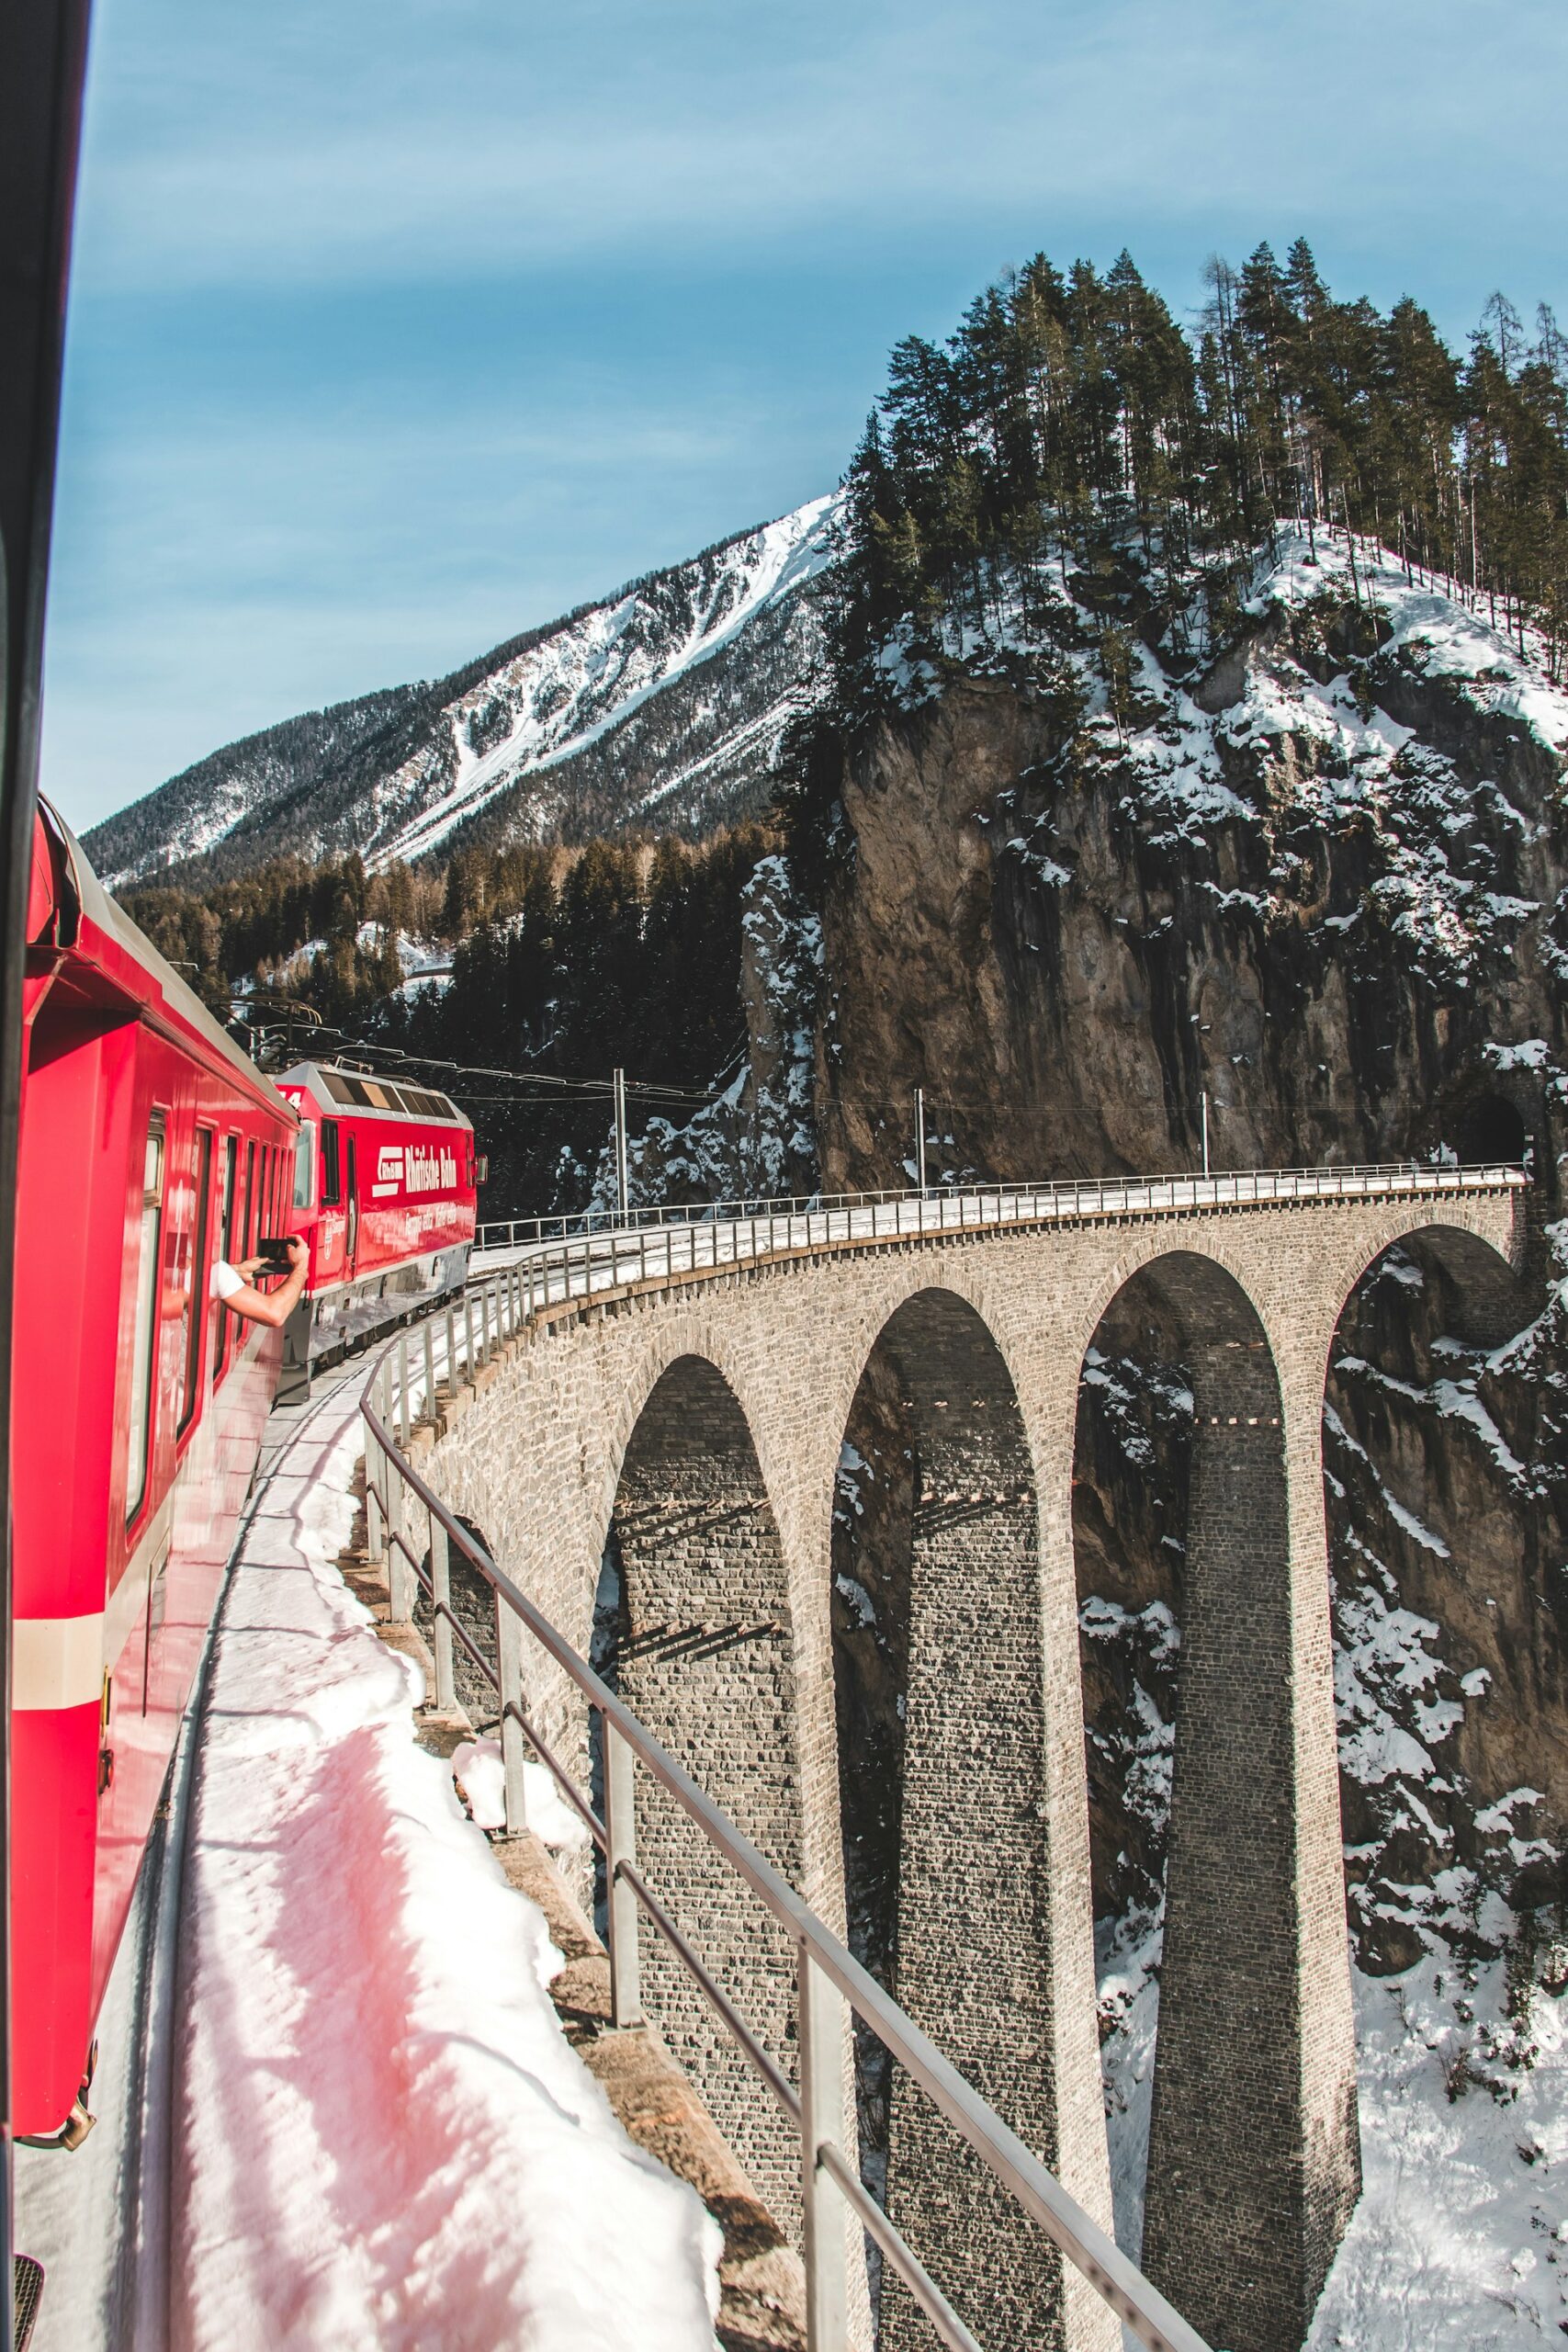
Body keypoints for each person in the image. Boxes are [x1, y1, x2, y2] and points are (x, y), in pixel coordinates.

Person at [210, 1234, 310, 1329]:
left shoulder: (213, 1270)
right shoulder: (219, 1273)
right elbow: (275, 1314)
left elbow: (213, 1277)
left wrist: (237, 1270)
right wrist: (301, 1266)